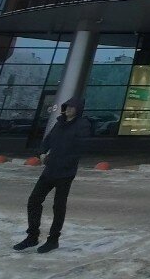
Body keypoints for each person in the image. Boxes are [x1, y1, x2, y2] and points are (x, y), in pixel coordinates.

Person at [13, 97, 91, 253]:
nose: (68, 109)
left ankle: (53, 240)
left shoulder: (82, 125)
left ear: (78, 110)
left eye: (72, 107)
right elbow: (48, 140)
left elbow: (81, 149)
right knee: (34, 201)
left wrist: (63, 161)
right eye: (67, 106)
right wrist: (42, 152)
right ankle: (32, 236)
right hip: (50, 170)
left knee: (58, 206)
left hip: (66, 172)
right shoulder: (59, 123)